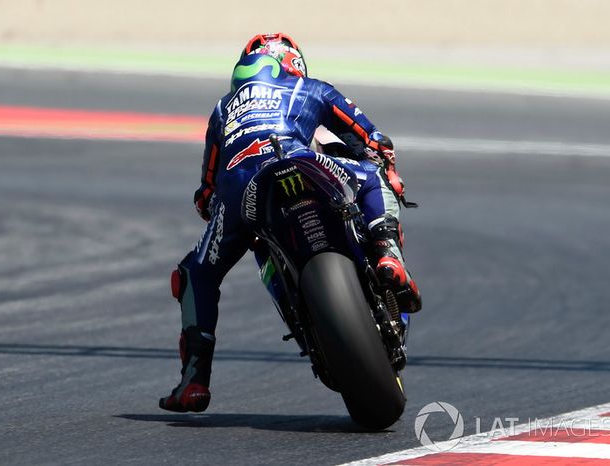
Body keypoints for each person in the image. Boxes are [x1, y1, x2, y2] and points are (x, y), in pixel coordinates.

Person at [160, 33, 421, 413]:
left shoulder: (222, 109)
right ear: (292, 64)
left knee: (194, 274)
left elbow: (206, 193)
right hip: (303, 161)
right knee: (373, 177)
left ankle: (194, 381)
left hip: (241, 189)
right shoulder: (310, 88)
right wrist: (388, 168)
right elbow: (374, 141)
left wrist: (221, 214)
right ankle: (387, 254)